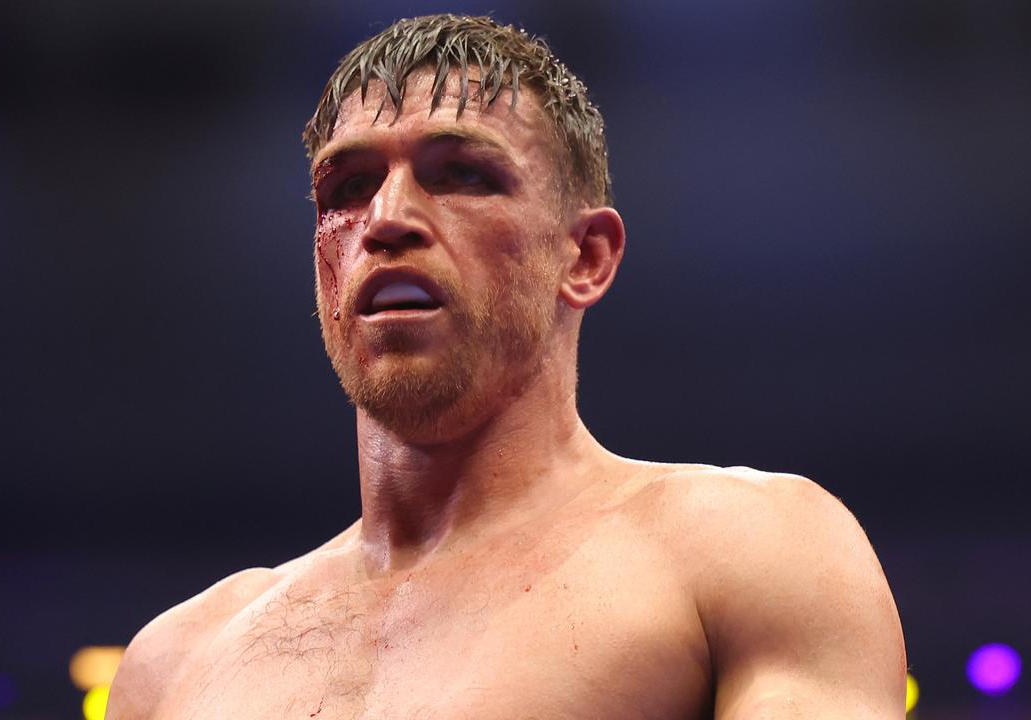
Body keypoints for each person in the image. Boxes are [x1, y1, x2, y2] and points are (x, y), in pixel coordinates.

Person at [106, 14, 906, 719]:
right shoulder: (175, 664)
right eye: (348, 187)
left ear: (585, 256)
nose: (386, 220)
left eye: (460, 174)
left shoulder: (748, 550)